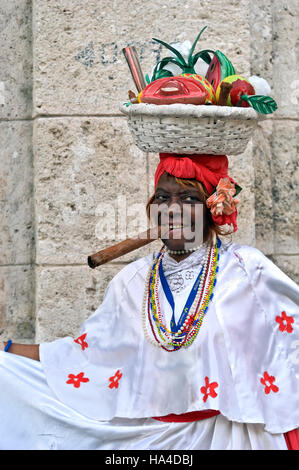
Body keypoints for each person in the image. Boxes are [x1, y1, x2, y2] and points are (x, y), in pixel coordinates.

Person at [0, 153, 298, 450]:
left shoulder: (246, 271)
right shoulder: (132, 282)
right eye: (162, 197)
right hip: (149, 439)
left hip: (228, 438)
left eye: (189, 199)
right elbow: (86, 356)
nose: (172, 210)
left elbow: (290, 354)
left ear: (213, 208)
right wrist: (9, 351)